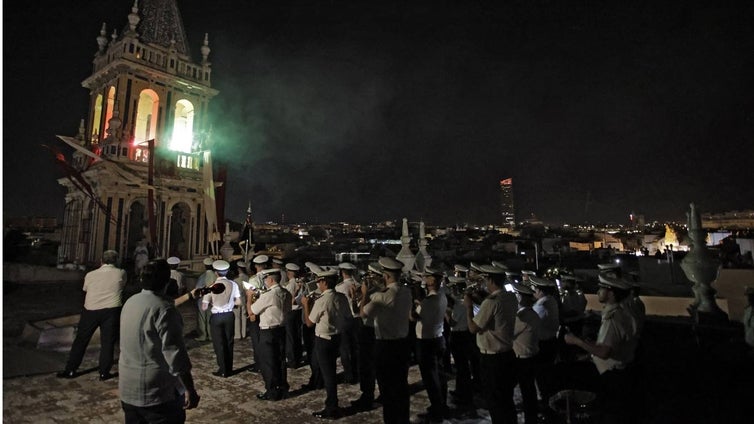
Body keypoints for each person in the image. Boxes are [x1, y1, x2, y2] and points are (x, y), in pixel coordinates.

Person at [119, 259, 200, 423]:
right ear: (167, 281)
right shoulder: (165, 310)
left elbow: (159, 302)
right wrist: (190, 389)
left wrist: (189, 296)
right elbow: (176, 355)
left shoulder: (131, 302)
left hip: (128, 386)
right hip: (157, 391)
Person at [564, 275, 638, 424]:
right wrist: (591, 346)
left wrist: (576, 341)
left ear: (611, 293)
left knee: (611, 413)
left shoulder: (613, 318)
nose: (598, 292)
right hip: (620, 373)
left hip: (612, 375)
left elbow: (604, 352)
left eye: (601, 288)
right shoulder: (622, 312)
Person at [57, 249, 126, 381]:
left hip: (91, 309)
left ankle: (71, 369)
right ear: (116, 261)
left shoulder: (90, 275)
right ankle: (104, 372)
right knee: (107, 342)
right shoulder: (121, 273)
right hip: (111, 309)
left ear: (102, 261)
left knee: (81, 340)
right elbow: (122, 286)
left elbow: (85, 289)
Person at [463, 264, 518, 424]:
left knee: (496, 403)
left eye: (486, 279)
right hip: (508, 354)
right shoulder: (510, 297)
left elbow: (473, 328)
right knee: (507, 401)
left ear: (490, 280)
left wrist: (468, 308)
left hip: (493, 360)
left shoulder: (491, 302)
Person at [361, 257, 413, 424]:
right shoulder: (406, 291)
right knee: (401, 387)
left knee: (387, 389)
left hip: (385, 346)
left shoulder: (381, 296)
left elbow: (363, 313)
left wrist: (365, 295)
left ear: (386, 276)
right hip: (402, 344)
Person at [302, 268, 351, 419]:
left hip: (324, 339)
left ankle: (332, 407)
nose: (318, 284)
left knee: (328, 375)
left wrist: (306, 305)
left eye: (319, 281)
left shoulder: (322, 300)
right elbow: (348, 316)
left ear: (324, 282)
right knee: (330, 372)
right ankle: (331, 403)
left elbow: (309, 322)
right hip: (337, 337)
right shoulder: (341, 297)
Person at [412, 266, 449, 423]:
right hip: (438, 338)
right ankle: (442, 405)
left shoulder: (428, 301)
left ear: (432, 280)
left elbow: (413, 317)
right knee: (439, 375)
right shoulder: (441, 297)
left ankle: (436, 409)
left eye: (426, 276)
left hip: (426, 341)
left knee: (430, 378)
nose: (424, 279)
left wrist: (413, 303)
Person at [250, 268, 292, 400]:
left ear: (271, 279)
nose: (265, 281)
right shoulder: (286, 292)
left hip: (268, 331)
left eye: (266, 278)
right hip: (281, 329)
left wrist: (249, 297)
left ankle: (272, 391)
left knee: (268, 362)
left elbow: (253, 311)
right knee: (280, 361)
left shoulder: (268, 295)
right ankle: (283, 388)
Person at [350, 262, 383, 411]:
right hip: (368, 329)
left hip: (371, 331)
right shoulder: (375, 292)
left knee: (367, 366)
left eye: (370, 276)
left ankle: (368, 396)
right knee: (367, 366)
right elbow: (357, 311)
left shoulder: (376, 294)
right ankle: (369, 394)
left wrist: (365, 295)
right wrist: (353, 297)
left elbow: (363, 312)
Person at [202, 260, 241, 378]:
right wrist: (229, 305)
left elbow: (204, 307)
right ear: (227, 271)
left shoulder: (211, 287)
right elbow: (239, 302)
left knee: (219, 343)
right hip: (229, 315)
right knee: (229, 342)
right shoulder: (234, 284)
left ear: (216, 273)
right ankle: (229, 368)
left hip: (217, 316)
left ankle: (222, 369)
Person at [511, 282, 542, 424]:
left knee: (527, 391)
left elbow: (508, 334)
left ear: (522, 298)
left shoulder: (522, 316)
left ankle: (531, 418)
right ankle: (532, 416)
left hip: (522, 358)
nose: (515, 296)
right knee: (529, 390)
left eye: (517, 294)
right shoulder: (532, 313)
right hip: (531, 356)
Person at [530, 275, 561, 409]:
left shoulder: (541, 305)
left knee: (542, 377)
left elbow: (531, 324)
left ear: (540, 291)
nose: (533, 293)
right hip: (551, 342)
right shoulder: (551, 300)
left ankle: (545, 404)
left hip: (543, 345)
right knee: (547, 375)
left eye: (534, 290)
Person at [336, 262, 360, 384]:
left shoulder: (340, 287)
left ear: (342, 272)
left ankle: (349, 375)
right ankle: (356, 372)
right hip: (357, 319)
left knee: (345, 349)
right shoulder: (358, 284)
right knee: (356, 348)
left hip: (345, 320)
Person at [247, 254, 271, 372]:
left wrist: (251, 313)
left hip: (256, 311)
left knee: (256, 340)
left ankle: (259, 364)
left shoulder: (253, 279)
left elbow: (252, 298)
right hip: (266, 312)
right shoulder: (269, 278)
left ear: (256, 266)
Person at [283, 263, 304, 368]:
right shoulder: (300, 282)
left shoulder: (290, 285)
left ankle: (292, 360)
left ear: (289, 273)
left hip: (291, 312)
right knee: (297, 335)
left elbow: (289, 300)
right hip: (298, 311)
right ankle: (298, 357)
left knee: (290, 337)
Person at [194, 258, 214, 342]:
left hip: (202, 299)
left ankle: (203, 335)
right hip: (212, 299)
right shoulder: (215, 275)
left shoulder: (203, 276)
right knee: (210, 317)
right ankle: (210, 335)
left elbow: (198, 288)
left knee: (202, 317)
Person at [233, 261, 249, 340]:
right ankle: (243, 333)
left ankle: (237, 334)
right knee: (244, 316)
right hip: (244, 298)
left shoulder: (236, 279)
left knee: (237, 317)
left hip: (237, 298)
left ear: (239, 269)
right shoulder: (247, 277)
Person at [744, 286, 754, 356]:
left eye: (751, 296)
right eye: (748, 296)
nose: (748, 299)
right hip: (748, 346)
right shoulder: (748, 310)